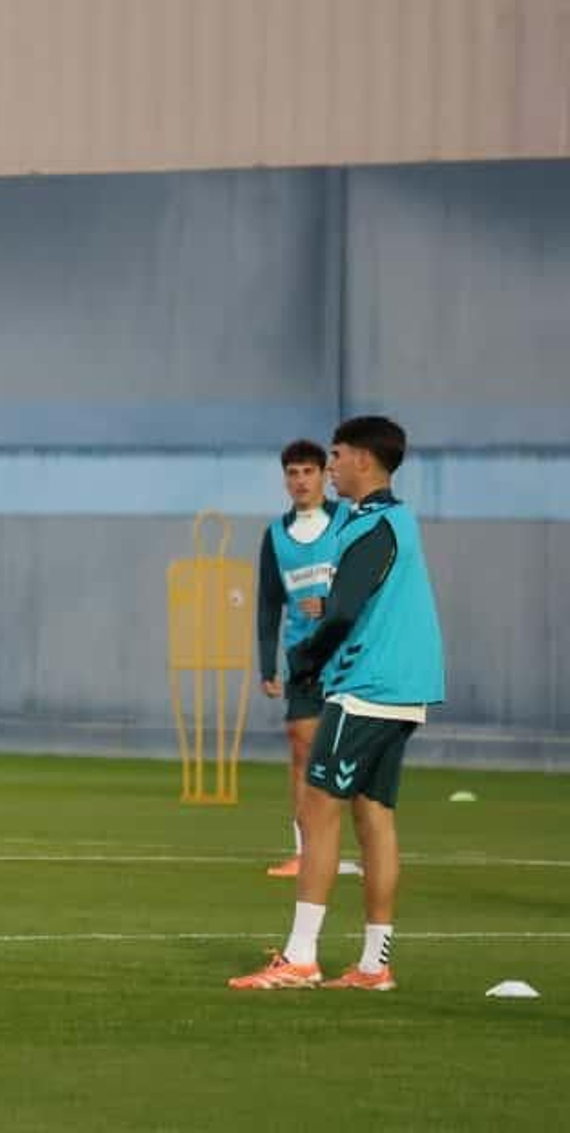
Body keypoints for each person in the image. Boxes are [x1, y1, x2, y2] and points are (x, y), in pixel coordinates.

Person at [230, 416, 444, 991]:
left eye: (337, 455)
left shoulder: (373, 525)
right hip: (401, 689)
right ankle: (374, 965)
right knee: (374, 817)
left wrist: (306, 660)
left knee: (320, 807)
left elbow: (343, 611)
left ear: (365, 462)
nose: (330, 467)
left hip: (367, 687)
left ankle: (300, 957)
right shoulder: (386, 520)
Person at [255, 439, 349, 878]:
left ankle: (346, 847)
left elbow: (369, 584)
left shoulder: (348, 521)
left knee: (351, 752)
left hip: (351, 654)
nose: (300, 480)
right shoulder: (275, 535)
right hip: (304, 659)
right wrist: (267, 666)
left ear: (324, 475)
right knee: (300, 746)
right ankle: (305, 852)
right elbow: (268, 604)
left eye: (307, 471)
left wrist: (331, 605)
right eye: (292, 473)